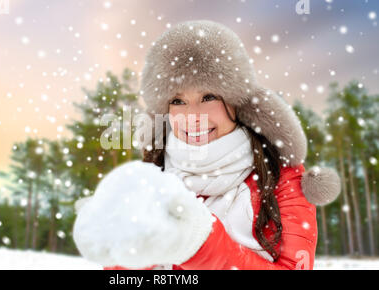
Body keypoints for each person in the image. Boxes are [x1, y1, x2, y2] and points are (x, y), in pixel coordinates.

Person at [74, 20, 341, 270]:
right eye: (177, 101)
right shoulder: (154, 175)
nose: (192, 115)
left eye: (208, 96)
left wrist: (198, 243)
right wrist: (114, 242)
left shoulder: (281, 178)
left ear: (236, 102)